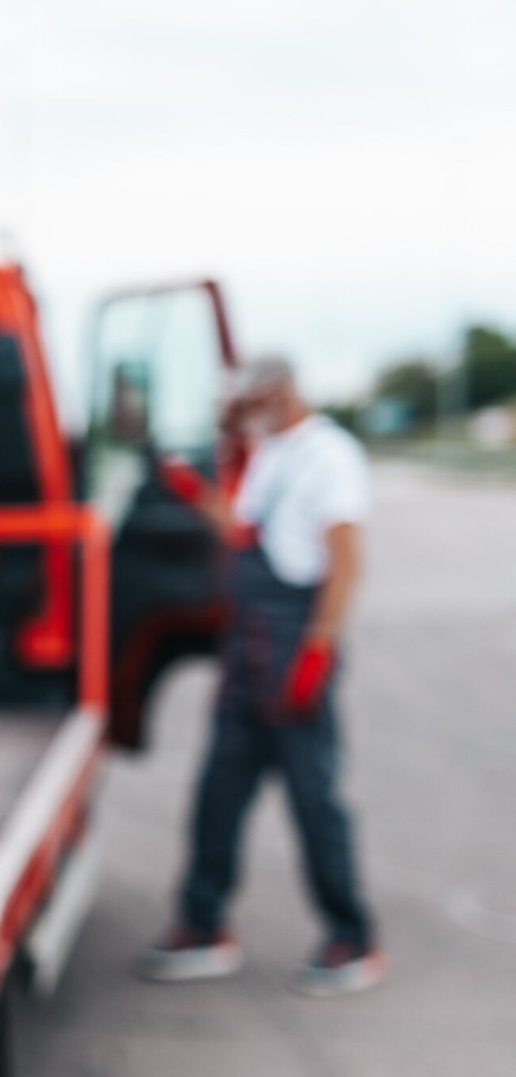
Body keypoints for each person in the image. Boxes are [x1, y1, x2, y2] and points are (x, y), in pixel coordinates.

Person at [140, 355, 384, 996]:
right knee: (217, 795)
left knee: (314, 801)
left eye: (256, 402)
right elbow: (247, 532)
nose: (250, 415)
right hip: (245, 652)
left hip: (293, 644)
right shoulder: (270, 454)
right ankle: (204, 924)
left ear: (284, 391)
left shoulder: (331, 456)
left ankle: (352, 936)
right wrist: (192, 491)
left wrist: (317, 651)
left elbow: (346, 562)